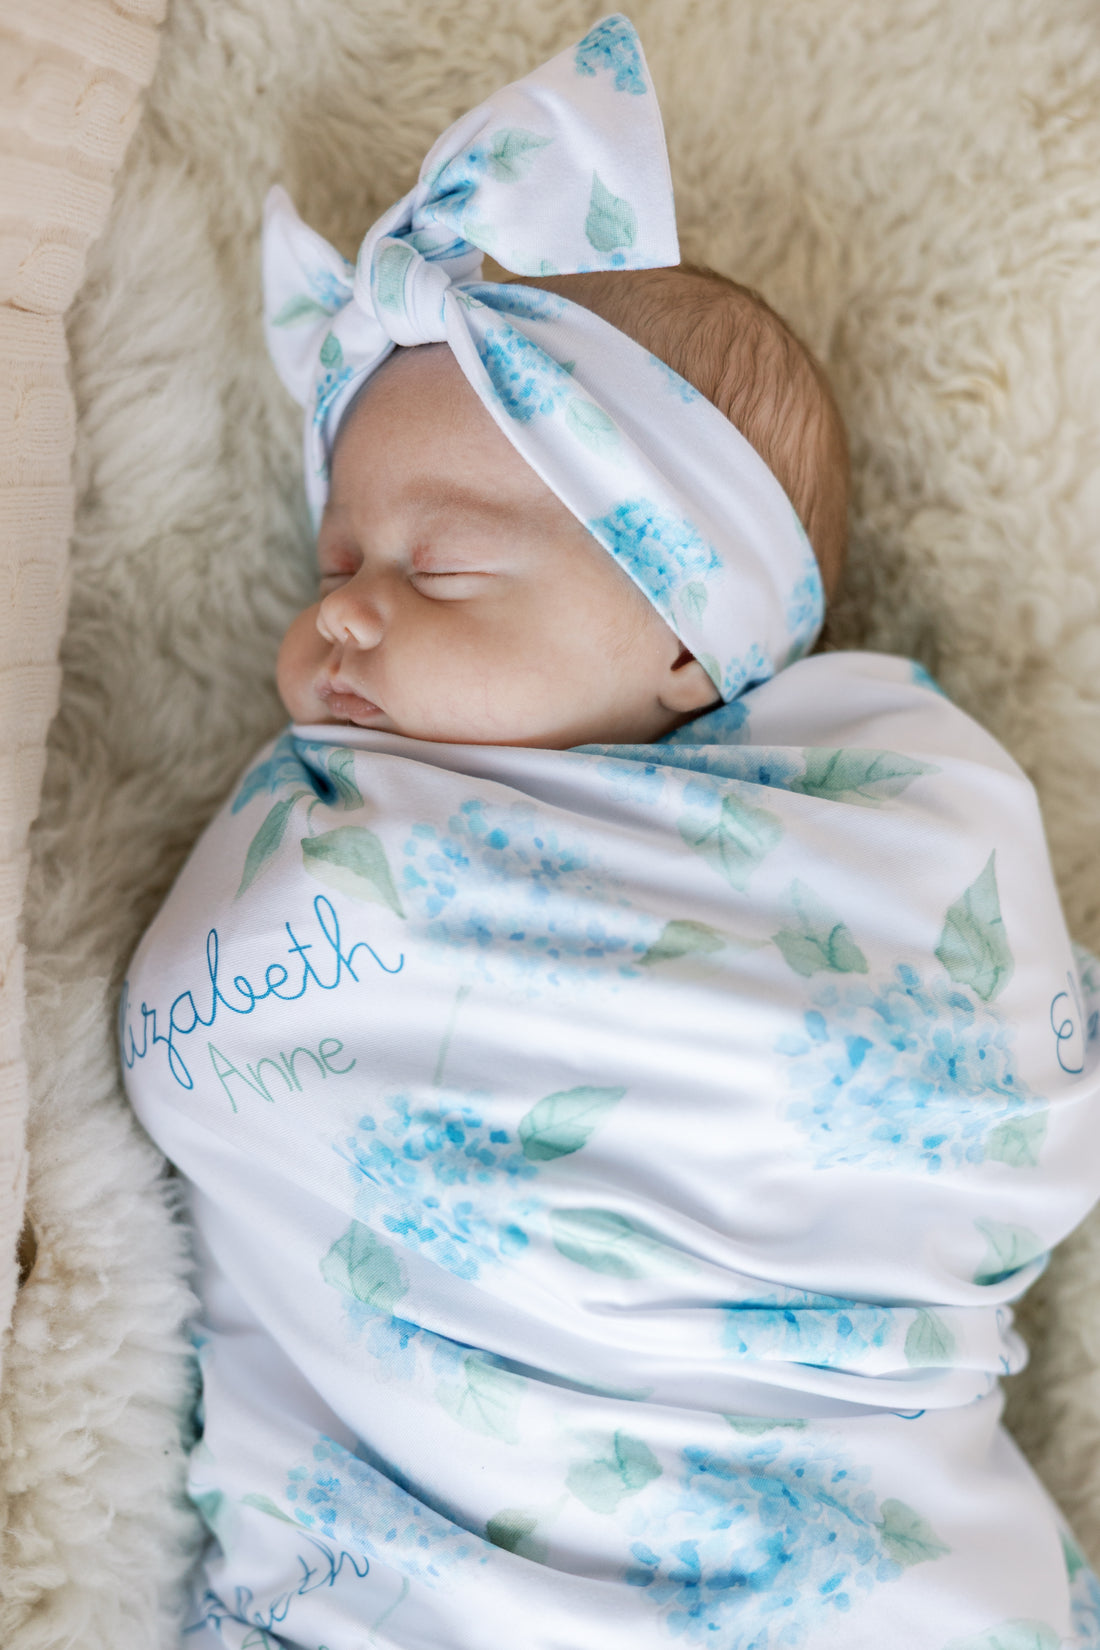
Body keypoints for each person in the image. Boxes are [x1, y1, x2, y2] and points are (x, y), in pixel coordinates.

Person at [121, 16, 1100, 1648]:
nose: (344, 617)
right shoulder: (345, 818)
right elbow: (207, 1032)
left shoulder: (894, 810)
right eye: (336, 563)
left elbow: (989, 1064)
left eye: (437, 571)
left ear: (682, 636)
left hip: (847, 1540)